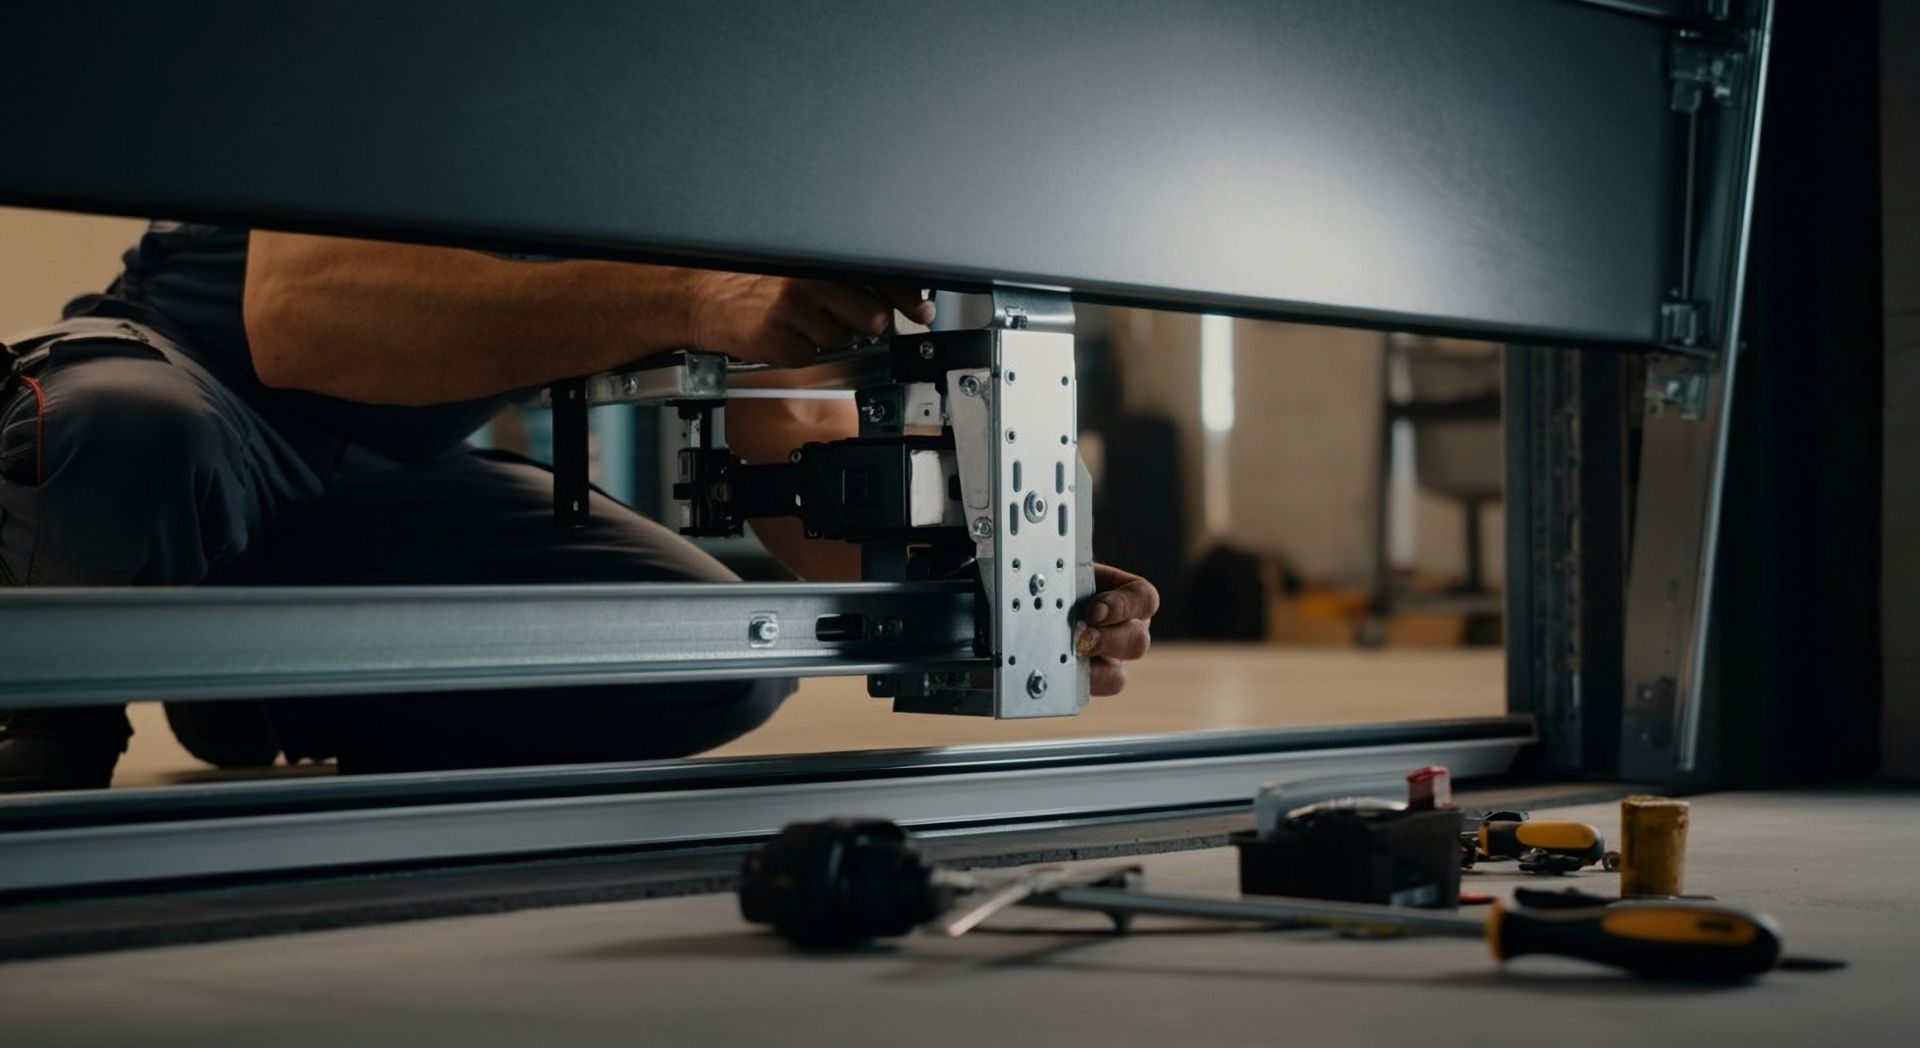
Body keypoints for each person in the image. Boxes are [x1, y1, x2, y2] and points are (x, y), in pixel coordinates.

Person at [0, 224, 1159, 791]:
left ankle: (255, 692)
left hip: (390, 470)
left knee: (709, 661)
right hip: (191, 377)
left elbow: (796, 423)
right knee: (131, 434)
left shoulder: (723, 113)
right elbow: (299, 318)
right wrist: (692, 295)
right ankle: (52, 730)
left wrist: (989, 573)